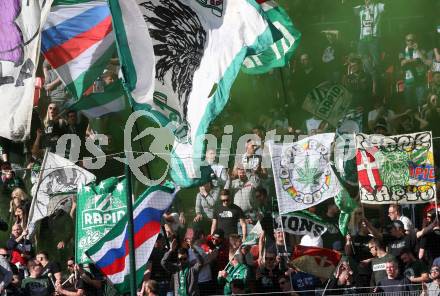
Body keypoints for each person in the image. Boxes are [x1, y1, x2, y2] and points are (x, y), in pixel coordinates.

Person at [353, 0, 385, 85]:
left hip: (374, 37)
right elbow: (352, 10)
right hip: (363, 37)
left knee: (376, 58)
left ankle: (379, 74)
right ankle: (372, 73)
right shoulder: (360, 8)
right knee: (362, 55)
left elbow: (387, 6)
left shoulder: (378, 6)